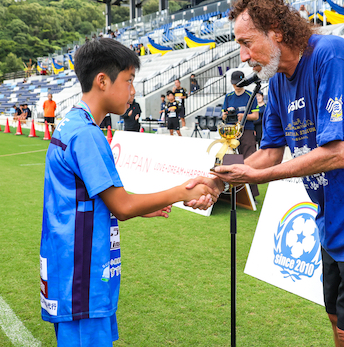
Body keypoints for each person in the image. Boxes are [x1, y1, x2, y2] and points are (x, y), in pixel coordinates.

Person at [207, 0, 344, 347]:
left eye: (246, 43)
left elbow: (338, 153)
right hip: (333, 221)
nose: (243, 57)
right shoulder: (276, 82)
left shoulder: (331, 56)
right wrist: (218, 179)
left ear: (275, 30)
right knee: (337, 321)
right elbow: (271, 152)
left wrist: (255, 177)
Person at [40, 39, 218, 347]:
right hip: (83, 275)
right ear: (102, 81)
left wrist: (142, 207)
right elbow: (122, 205)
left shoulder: (73, 122)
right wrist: (181, 191)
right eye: (129, 80)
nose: (133, 90)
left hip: (73, 269)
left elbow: (101, 199)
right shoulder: (87, 135)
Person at [221, 70, 259, 196]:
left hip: (246, 131)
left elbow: (256, 116)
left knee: (250, 159)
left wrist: (243, 116)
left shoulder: (250, 96)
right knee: (231, 160)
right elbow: (223, 115)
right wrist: (225, 116)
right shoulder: (228, 97)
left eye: (238, 83)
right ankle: (234, 192)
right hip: (231, 133)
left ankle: (252, 194)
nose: (236, 86)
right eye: (234, 84)